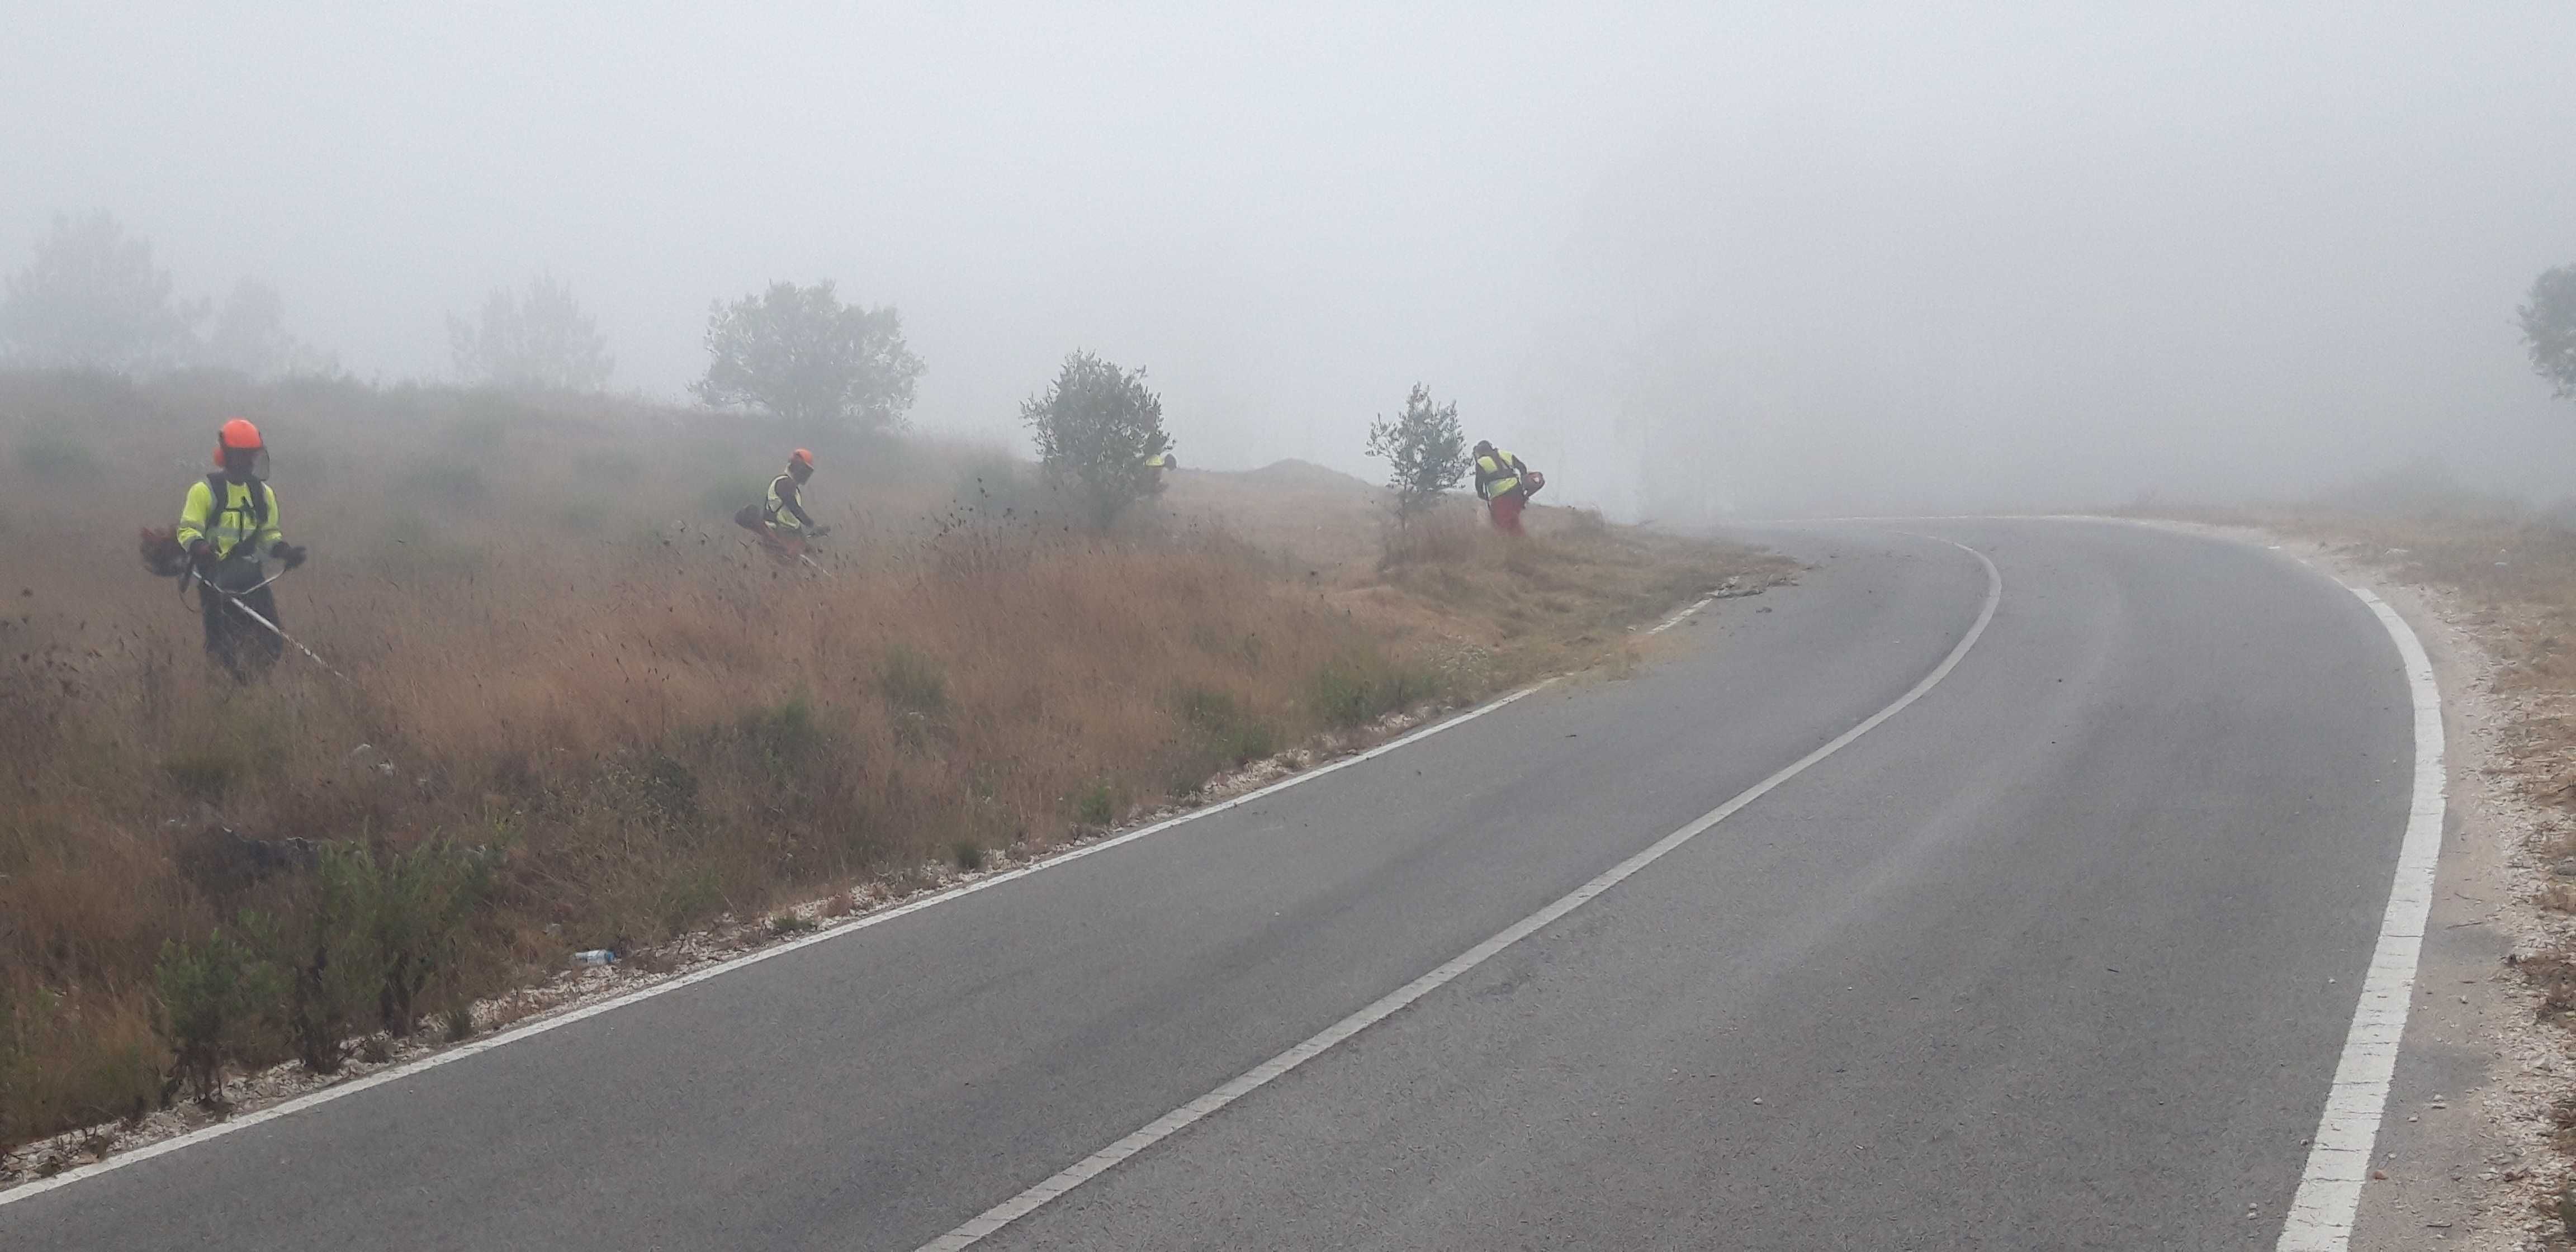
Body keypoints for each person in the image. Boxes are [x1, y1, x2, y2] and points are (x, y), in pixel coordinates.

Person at [177, 419, 307, 680]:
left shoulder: (263, 494)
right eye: (243, 456)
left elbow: (269, 535)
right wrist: (200, 546)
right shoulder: (204, 491)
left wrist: (284, 552)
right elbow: (187, 530)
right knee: (223, 649)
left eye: (252, 456)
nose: (249, 462)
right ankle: (225, 694)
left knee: (271, 644)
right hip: (215, 579)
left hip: (251, 577)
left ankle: (252, 688)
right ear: (227, 456)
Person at [756, 448, 828, 562]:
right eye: (804, 470)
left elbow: (793, 519)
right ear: (795, 467)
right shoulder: (785, 483)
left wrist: (806, 535)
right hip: (779, 535)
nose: (805, 475)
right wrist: (812, 525)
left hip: (787, 535)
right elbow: (795, 509)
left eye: (807, 472)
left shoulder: (792, 488)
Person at [1471, 440, 1540, 537]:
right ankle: (1526, 544)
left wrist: (1482, 496)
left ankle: (1521, 546)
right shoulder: (1504, 454)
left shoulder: (1481, 463)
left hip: (1501, 498)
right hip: (1517, 493)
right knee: (1514, 521)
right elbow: (1522, 467)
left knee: (1502, 527)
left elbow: (1479, 485)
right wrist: (1524, 481)